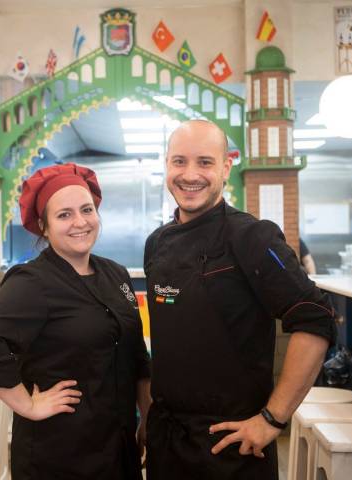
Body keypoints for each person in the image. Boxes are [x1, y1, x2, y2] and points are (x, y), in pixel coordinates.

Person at [143, 120, 336, 479]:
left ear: (226, 167)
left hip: (233, 447)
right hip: (166, 443)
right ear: (166, 165)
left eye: (204, 162)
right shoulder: (157, 243)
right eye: (179, 161)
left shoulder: (252, 237)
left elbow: (316, 317)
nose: (190, 174)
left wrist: (272, 419)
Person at [0, 163, 152, 480]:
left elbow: (136, 356)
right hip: (60, 455)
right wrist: (28, 406)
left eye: (87, 210)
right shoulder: (32, 282)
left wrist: (147, 418)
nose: (80, 222)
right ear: (44, 226)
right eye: (64, 215)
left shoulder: (115, 274)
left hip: (118, 447)